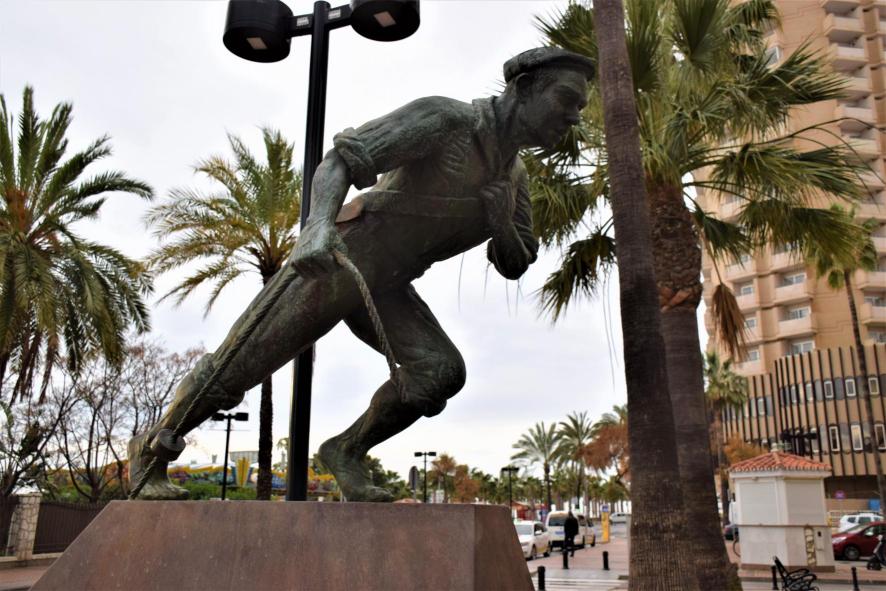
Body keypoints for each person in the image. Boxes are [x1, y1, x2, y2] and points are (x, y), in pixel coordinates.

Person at [128, 47, 594, 501]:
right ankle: (151, 450)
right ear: (525, 87)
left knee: (439, 372)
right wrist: (316, 228)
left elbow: (517, 261)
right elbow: (343, 161)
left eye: (580, 107)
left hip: (388, 284)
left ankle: (346, 452)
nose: (574, 116)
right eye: (567, 100)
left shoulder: (515, 178)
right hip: (340, 258)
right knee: (238, 366)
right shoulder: (446, 120)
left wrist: (499, 222)